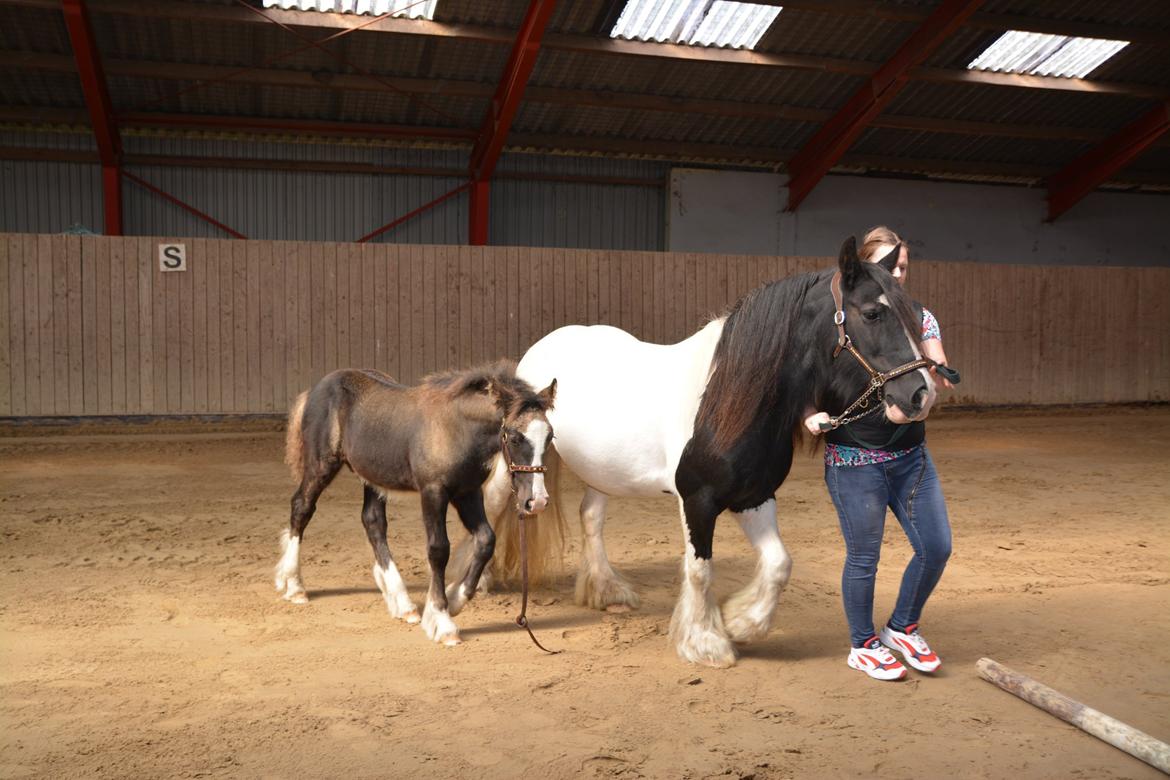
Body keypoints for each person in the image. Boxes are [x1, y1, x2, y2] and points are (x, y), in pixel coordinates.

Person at [804, 226, 954, 681]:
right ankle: (862, 643)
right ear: (863, 268)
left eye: (902, 266)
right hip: (855, 462)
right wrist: (808, 414)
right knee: (864, 558)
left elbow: (934, 369)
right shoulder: (834, 320)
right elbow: (798, 379)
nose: (897, 274)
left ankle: (902, 626)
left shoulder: (919, 316)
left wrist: (932, 381)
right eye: (888, 265)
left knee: (936, 546)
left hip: (911, 458)